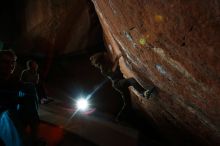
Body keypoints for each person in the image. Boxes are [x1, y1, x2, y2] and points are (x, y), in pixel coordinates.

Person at [90, 52, 156, 122]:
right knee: (131, 80)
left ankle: (118, 118)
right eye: (105, 56)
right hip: (117, 83)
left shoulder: (109, 63)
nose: (107, 56)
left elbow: (114, 64)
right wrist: (118, 58)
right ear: (102, 60)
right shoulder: (103, 70)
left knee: (127, 103)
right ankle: (143, 93)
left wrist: (117, 57)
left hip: (121, 82)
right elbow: (113, 70)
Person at [0, 50, 41, 146]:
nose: (10, 66)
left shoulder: (18, 84)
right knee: (7, 115)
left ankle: (34, 138)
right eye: (5, 62)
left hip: (12, 118)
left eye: (13, 63)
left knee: (29, 89)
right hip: (4, 118)